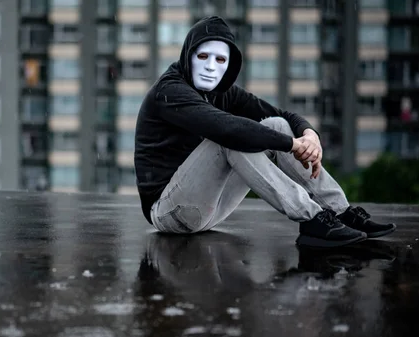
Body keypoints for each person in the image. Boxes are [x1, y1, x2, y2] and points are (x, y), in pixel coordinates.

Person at [133, 16, 396, 248]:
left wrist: (309, 136)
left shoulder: (222, 93)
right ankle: (311, 219)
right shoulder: (169, 91)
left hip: (210, 209)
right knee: (231, 139)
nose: (211, 66)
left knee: (276, 125)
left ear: (230, 65)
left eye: (220, 59)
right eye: (203, 56)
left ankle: (339, 211)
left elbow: (284, 117)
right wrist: (292, 145)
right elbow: (228, 129)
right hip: (171, 213)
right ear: (187, 56)